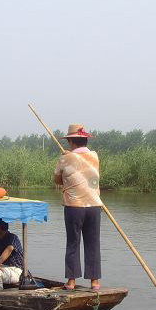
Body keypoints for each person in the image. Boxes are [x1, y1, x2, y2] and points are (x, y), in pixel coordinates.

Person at [53, 124, 102, 290]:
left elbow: (57, 180)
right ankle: (94, 281)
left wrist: (66, 158)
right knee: (93, 243)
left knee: (73, 242)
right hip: (94, 205)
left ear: (71, 142)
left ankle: (71, 281)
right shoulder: (94, 156)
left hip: (74, 206)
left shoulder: (65, 158)